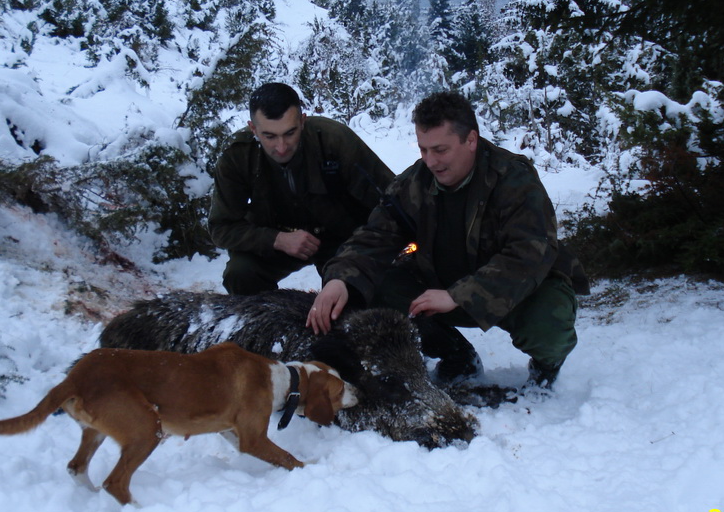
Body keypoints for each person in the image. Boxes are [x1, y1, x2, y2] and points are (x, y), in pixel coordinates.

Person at [306, 90, 589, 390]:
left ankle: (547, 364)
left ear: (471, 140)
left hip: (513, 289)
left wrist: (458, 295)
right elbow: (375, 235)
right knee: (369, 290)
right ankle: (457, 355)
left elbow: (528, 256)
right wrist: (340, 279)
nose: (430, 161)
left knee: (549, 321)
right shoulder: (415, 182)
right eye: (423, 149)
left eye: (440, 150)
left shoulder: (513, 181)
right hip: (441, 284)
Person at [209, 82, 394, 295]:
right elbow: (221, 228)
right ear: (254, 129)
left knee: (354, 294)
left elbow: (389, 199)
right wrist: (276, 239)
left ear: (302, 121)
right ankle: (266, 324)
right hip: (276, 239)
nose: (281, 147)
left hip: (341, 239)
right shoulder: (237, 157)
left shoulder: (333, 139)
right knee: (240, 274)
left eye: (290, 133)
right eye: (269, 136)